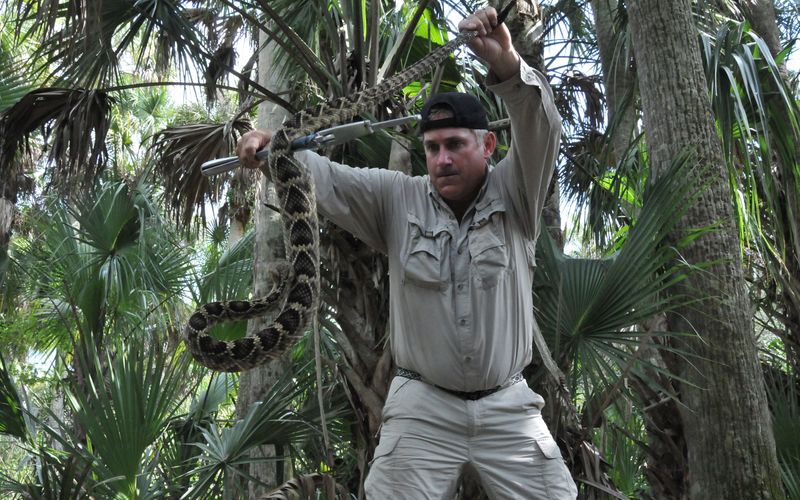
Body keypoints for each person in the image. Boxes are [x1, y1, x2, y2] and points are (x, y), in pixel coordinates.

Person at [237, 7, 577, 499]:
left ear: (488, 145)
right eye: (432, 146)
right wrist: (269, 147)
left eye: (455, 144)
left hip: (509, 407)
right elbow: (325, 180)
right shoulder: (397, 198)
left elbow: (539, 129)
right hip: (422, 407)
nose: (441, 159)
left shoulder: (516, 194)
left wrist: (505, 62)